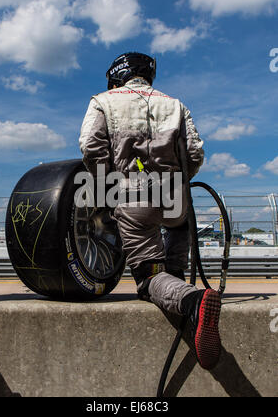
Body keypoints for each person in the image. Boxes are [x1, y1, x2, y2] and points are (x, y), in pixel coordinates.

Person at [79, 52, 222, 370]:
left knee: (148, 280)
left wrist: (109, 187)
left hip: (134, 197)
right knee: (176, 232)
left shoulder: (103, 101)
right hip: (175, 200)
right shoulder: (176, 104)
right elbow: (196, 152)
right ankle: (178, 288)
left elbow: (90, 146)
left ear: (118, 75)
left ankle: (192, 302)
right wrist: (179, 182)